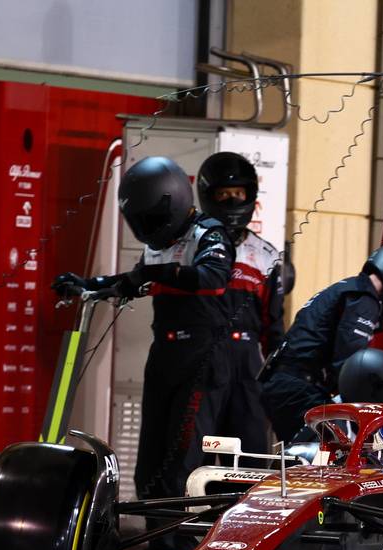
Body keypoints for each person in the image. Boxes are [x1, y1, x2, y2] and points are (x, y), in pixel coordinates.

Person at [53, 156, 246, 507]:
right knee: (149, 468)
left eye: (152, 218)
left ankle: (179, 547)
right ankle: (155, 547)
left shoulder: (209, 233)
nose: (148, 227)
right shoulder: (157, 246)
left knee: (181, 464)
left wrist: (156, 275)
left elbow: (213, 278)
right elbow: (132, 283)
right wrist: (86, 285)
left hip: (202, 361)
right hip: (165, 356)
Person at [260, 243, 383, 442]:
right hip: (299, 389)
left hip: (286, 384)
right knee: (330, 453)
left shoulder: (349, 288)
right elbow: (350, 365)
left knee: (304, 456)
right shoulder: (364, 300)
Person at [196, 151, 292, 355]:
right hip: (197, 361)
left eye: (238, 194)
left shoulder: (265, 255)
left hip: (244, 367)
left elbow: (273, 326)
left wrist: (276, 377)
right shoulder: (190, 245)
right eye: (224, 194)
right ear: (209, 196)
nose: (232, 201)